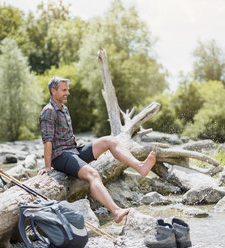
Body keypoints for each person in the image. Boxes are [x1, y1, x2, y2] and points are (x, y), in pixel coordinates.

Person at [38, 76, 156, 223]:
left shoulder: (64, 109)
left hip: (73, 151)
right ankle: (116, 211)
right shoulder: (48, 111)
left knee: (110, 140)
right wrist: (48, 168)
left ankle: (140, 166)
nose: (67, 93)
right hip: (61, 157)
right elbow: (47, 141)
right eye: (64, 90)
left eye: (67, 89)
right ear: (53, 91)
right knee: (93, 174)